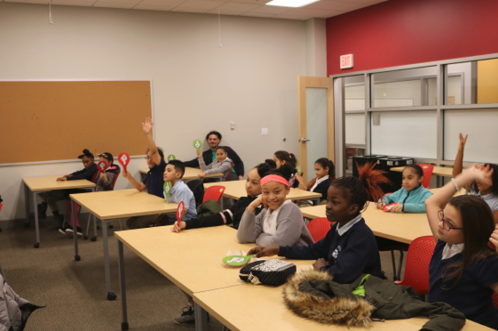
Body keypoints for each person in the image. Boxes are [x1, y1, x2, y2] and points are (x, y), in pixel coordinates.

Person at [248, 161, 387, 284]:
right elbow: (314, 250)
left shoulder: (360, 235)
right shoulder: (339, 227)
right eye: (328, 200)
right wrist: (277, 250)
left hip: (362, 294)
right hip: (342, 287)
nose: (327, 205)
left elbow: (343, 274)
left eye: (335, 202)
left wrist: (322, 268)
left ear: (353, 208)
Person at [425, 164, 498, 329]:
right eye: (442, 216)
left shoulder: (483, 260)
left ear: (471, 231)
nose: (441, 225)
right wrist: (466, 177)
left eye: (449, 224)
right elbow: (431, 202)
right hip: (444, 323)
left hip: (474, 326)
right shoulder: (445, 243)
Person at [172, 163, 270, 232]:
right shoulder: (243, 201)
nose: (248, 185)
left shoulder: (264, 208)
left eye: (254, 183)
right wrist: (187, 224)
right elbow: (218, 217)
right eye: (247, 180)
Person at [237, 164, 314, 247]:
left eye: (277, 192)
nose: (271, 197)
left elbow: (279, 244)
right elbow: (244, 238)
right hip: (276, 258)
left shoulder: (291, 210)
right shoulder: (265, 212)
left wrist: (260, 237)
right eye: (266, 192)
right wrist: (251, 207)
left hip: (301, 259)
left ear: (287, 189)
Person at [61, 152, 121, 236]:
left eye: (103, 161)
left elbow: (109, 187)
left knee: (75, 200)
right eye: (100, 161)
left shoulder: (111, 172)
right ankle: (74, 225)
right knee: (70, 200)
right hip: (93, 191)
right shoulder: (101, 169)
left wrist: (105, 179)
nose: (101, 163)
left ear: (110, 162)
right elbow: (84, 173)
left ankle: (74, 226)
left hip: (100, 195)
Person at [123, 117, 167, 229]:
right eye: (147, 157)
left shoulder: (162, 169)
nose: (149, 159)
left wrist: (148, 134)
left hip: (160, 210)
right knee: (130, 222)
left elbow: (154, 151)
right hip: (151, 206)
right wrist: (129, 177)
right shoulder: (150, 173)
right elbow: (139, 187)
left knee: (136, 224)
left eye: (152, 157)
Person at [38, 149, 97, 225]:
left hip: (83, 192)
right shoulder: (89, 168)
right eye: (83, 162)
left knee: (48, 194)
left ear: (92, 160)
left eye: (87, 162)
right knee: (48, 197)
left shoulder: (95, 168)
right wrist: (71, 175)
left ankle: (44, 211)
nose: (85, 164)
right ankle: (57, 219)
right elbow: (80, 172)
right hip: (78, 189)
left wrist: (67, 179)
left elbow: (83, 175)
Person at [453, 133, 498, 223]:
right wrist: (460, 151)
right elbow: (457, 176)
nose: (478, 180)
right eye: (478, 176)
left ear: (494, 180)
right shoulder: (475, 190)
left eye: (483, 177)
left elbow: (491, 228)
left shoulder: (496, 203)